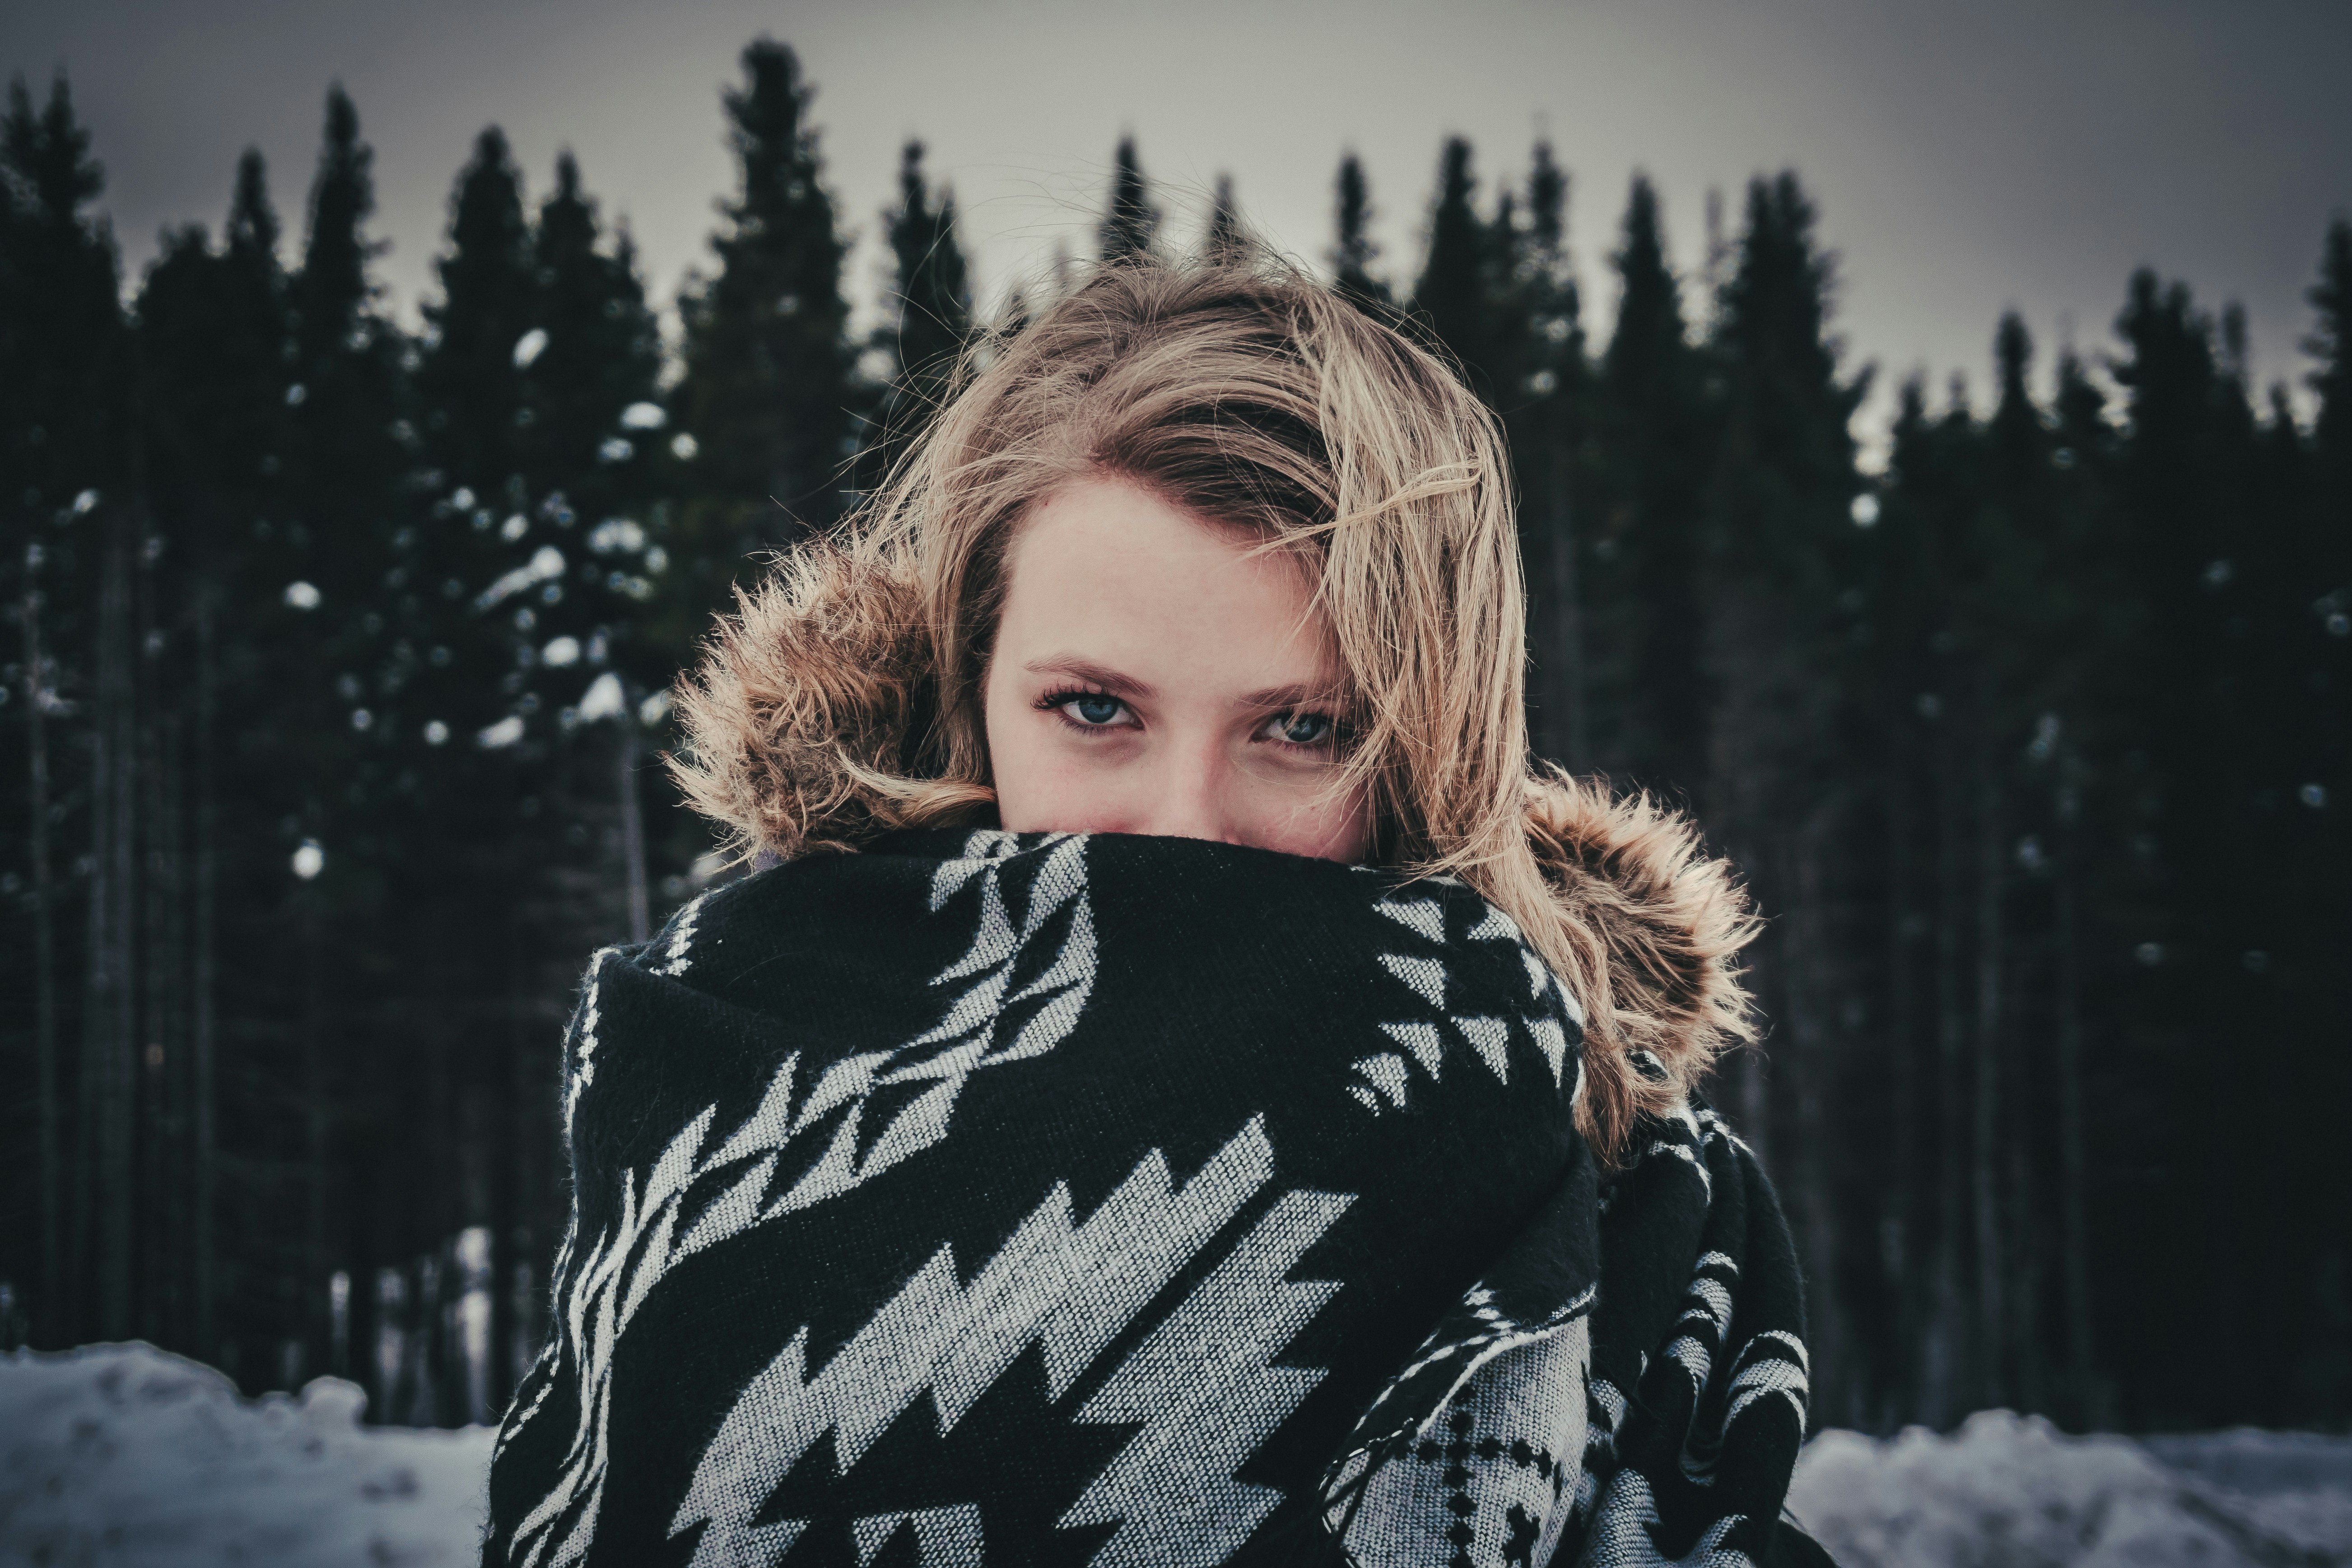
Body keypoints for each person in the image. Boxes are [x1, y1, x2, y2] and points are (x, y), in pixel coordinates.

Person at [481, 254, 1830, 1567]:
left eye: (1302, 728)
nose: (1187, 828)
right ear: (967, 689)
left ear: (1437, 755)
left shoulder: (1634, 1227)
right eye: (1094, 710)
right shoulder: (714, 1097)